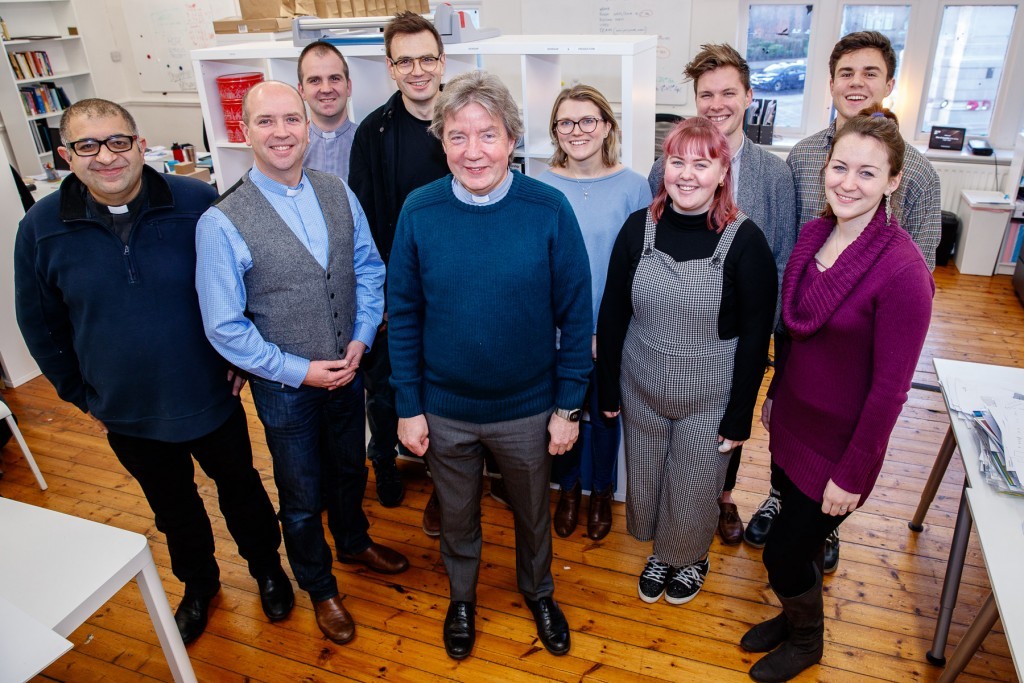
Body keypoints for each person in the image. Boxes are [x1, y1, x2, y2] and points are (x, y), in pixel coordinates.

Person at [14, 98, 291, 645]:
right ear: (67, 156)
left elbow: (244, 283)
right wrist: (85, 397)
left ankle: (268, 570)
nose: (106, 157)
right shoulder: (39, 228)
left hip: (209, 394)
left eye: (118, 141)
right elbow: (40, 326)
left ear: (141, 146)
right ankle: (199, 585)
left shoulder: (196, 202)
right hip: (129, 411)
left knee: (243, 491)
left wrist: (240, 359)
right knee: (173, 508)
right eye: (88, 146)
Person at [388, 70, 592, 661]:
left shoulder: (547, 208)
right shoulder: (419, 211)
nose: (473, 151)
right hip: (445, 409)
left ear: (511, 140)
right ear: (442, 141)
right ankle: (462, 598)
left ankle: (539, 591)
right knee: (456, 517)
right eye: (458, 136)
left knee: (532, 515)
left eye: (488, 135)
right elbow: (402, 313)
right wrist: (408, 404)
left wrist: (568, 405)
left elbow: (578, 315)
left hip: (528, 408)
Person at [195, 81, 408, 645]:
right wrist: (297, 370)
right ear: (245, 132)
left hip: (348, 368)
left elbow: (368, 268)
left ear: (309, 127)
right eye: (266, 122)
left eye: (292, 119)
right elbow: (223, 326)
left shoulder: (336, 190)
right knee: (301, 494)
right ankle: (319, 587)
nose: (282, 132)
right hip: (286, 387)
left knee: (349, 470)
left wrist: (362, 336)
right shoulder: (221, 220)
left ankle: (356, 542)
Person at [741, 107, 933, 682]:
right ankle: (791, 615)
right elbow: (795, 332)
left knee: (783, 551)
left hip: (840, 447)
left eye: (868, 173)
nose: (849, 183)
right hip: (793, 423)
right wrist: (775, 392)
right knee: (792, 551)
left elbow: (890, 393)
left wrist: (853, 473)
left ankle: (808, 641)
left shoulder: (903, 272)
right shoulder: (813, 235)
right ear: (824, 167)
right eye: (840, 167)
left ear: (894, 181)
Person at [749, 30, 941, 569]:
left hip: (862, 333)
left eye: (870, 73)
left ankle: (821, 527)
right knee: (788, 461)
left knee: (802, 539)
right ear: (830, 83)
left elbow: (919, 265)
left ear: (889, 83)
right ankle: (782, 498)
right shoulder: (805, 155)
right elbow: (795, 245)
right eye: (846, 74)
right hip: (804, 334)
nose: (857, 84)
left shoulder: (919, 174)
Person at [597, 117, 776, 606]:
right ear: (664, 169)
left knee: (695, 485)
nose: (687, 174)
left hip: (709, 392)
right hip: (641, 386)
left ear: (723, 173)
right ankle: (663, 552)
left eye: (702, 163)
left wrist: (740, 414)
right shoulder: (639, 230)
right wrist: (607, 387)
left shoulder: (745, 241)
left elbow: (758, 337)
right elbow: (613, 311)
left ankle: (691, 558)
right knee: (650, 480)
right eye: (678, 162)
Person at [647, 43, 796, 546]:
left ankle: (724, 497)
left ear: (749, 96)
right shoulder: (665, 168)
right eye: (706, 94)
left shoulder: (775, 175)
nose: (717, 104)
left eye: (728, 92)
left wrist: (762, 333)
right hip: (676, 332)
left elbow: (781, 256)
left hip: (740, 335)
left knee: (727, 425)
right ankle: (677, 506)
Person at [538, 85, 652, 541]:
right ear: (555, 131)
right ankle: (568, 489)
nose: (577, 131)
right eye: (566, 122)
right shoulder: (539, 185)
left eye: (588, 120)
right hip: (555, 330)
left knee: (605, 415)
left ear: (607, 126)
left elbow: (643, 266)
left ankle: (601, 493)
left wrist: (609, 331)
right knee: (562, 414)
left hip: (612, 330)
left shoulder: (634, 186)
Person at [349, 11, 451, 519]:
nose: (417, 70)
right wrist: (382, 294)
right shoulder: (374, 132)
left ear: (442, 61)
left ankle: (441, 485)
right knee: (388, 386)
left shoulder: (463, 121)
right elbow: (364, 221)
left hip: (455, 284)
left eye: (426, 58)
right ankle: (384, 462)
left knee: (444, 388)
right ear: (390, 68)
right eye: (404, 60)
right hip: (399, 284)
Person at [298, 40, 356, 182]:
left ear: (348, 87)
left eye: (334, 78)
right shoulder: (292, 148)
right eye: (315, 80)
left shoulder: (369, 143)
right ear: (301, 91)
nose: (326, 89)